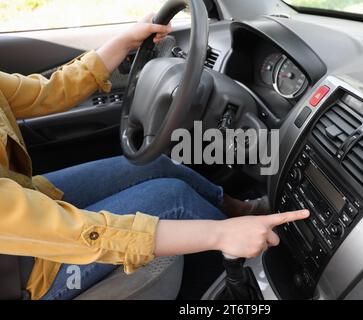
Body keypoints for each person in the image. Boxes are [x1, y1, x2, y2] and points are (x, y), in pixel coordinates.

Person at [0, 14, 310, 300]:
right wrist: (219, 234)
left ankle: (243, 211)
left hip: (25, 203)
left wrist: (123, 42)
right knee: (173, 199)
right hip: (23, 272)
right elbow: (82, 233)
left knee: (154, 164)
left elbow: (48, 92)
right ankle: (257, 276)